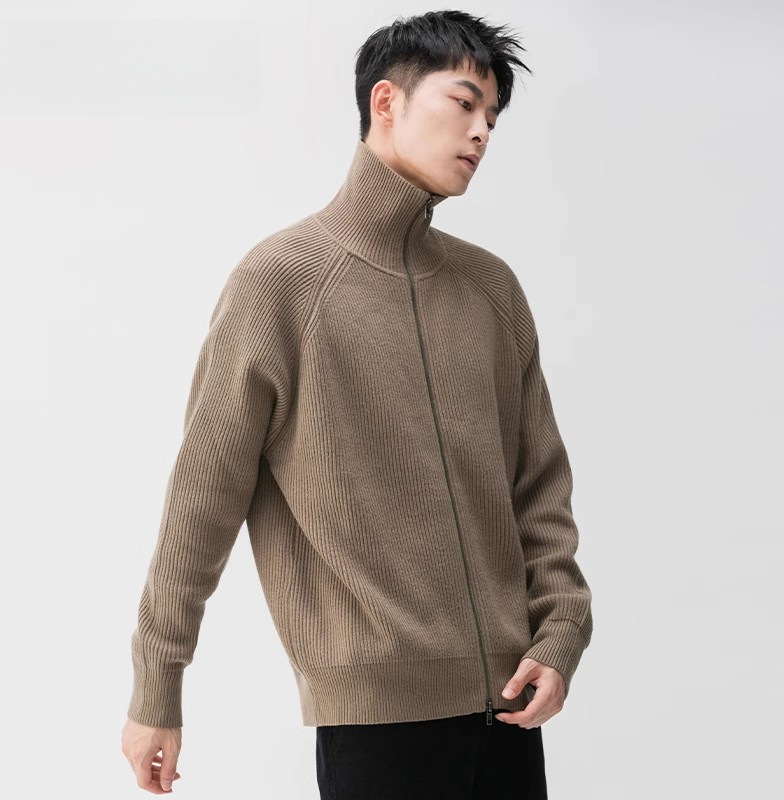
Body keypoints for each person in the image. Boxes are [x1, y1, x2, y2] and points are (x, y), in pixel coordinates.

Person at [121, 9, 594, 799]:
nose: (482, 131)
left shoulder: (491, 290)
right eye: (464, 102)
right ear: (386, 102)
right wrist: (156, 688)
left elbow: (539, 489)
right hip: (378, 727)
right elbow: (202, 502)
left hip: (511, 711)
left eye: (493, 116)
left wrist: (561, 631)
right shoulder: (280, 283)